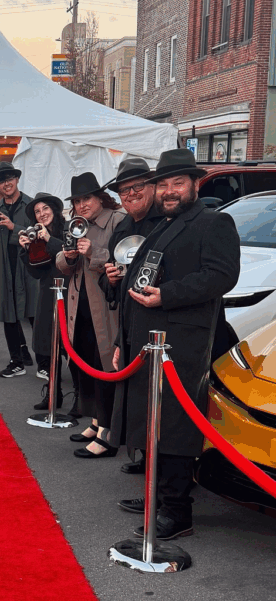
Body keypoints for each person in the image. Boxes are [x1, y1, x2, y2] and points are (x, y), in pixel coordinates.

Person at [113, 149, 241, 540]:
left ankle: (177, 512)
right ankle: (159, 496)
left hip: (182, 345)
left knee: (174, 428)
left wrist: (167, 295)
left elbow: (222, 276)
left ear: (195, 184)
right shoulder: (163, 224)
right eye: (163, 184)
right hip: (149, 342)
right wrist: (122, 340)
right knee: (153, 423)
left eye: (178, 183)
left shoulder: (213, 222)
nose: (169, 191)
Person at [99, 157, 164, 474]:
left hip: (161, 323)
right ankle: (145, 455)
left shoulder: (166, 223)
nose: (131, 194)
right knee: (137, 394)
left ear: (151, 187)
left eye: (138, 186)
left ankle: (160, 465)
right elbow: (111, 285)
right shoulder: (122, 229)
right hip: (130, 322)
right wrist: (110, 279)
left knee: (160, 397)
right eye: (124, 190)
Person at [55, 172, 125, 458]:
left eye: (87, 199)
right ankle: (96, 422)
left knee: (104, 366)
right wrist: (69, 256)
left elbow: (124, 261)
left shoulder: (118, 220)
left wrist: (93, 251)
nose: (81, 205)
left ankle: (107, 435)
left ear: (101, 198)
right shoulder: (76, 223)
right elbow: (62, 262)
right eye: (77, 201)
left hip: (105, 309)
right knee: (86, 365)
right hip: (79, 307)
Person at [0, 161, 38, 377]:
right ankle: (16, 361)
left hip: (28, 271)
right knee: (9, 317)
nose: (6, 184)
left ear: (17, 179)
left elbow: (39, 236)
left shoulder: (32, 206)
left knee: (35, 316)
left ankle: (46, 363)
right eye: (1, 181)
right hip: (3, 271)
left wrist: (14, 227)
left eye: (10, 178)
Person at [18, 193, 66, 408]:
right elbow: (37, 273)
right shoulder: (36, 236)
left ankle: (81, 398)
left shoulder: (68, 229)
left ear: (54, 209)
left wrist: (49, 239)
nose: (42, 214)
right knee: (48, 346)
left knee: (73, 346)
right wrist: (26, 250)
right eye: (37, 211)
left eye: (45, 208)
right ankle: (53, 393)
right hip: (48, 293)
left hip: (71, 293)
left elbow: (70, 254)